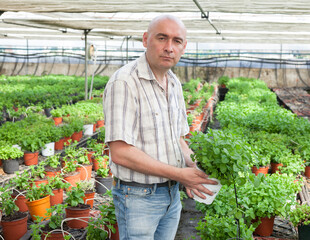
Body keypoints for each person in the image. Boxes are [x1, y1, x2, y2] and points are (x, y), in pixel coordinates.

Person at [103, 14, 217, 240]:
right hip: (138, 197)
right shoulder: (124, 82)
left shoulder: (173, 83)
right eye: (162, 38)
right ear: (146, 40)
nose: (169, 47)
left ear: (184, 47)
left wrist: (194, 168)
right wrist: (181, 175)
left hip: (171, 195)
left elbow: (178, 139)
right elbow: (120, 153)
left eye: (176, 41)